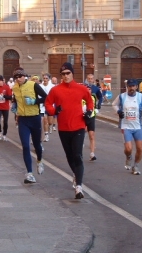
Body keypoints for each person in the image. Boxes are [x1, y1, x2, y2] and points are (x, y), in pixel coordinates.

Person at [45, 62, 93, 199]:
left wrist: (89, 111)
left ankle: (79, 187)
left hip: (78, 126)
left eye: (68, 73)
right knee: (69, 156)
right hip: (63, 128)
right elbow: (48, 103)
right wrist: (54, 111)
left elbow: (89, 101)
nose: (65, 76)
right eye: (63, 74)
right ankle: (76, 174)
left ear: (72, 74)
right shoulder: (56, 90)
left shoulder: (81, 88)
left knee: (77, 155)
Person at [12, 67, 47, 184]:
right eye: (16, 77)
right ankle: (30, 174)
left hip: (35, 118)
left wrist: (34, 101)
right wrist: (14, 106)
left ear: (24, 76)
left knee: (37, 145)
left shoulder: (33, 85)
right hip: (23, 120)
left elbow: (46, 97)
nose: (18, 79)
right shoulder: (14, 88)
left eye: (20, 76)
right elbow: (15, 99)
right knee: (25, 146)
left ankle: (39, 161)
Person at [112, 78, 142, 175]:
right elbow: (114, 104)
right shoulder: (122, 97)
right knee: (128, 149)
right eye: (130, 86)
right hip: (126, 126)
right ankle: (128, 157)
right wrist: (118, 111)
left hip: (138, 127)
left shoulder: (141, 97)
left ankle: (136, 166)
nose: (131, 88)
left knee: (140, 148)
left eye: (133, 86)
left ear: (136, 87)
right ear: (127, 87)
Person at [85, 74, 102, 161]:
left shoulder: (95, 88)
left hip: (91, 114)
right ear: (86, 79)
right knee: (83, 131)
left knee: (91, 135)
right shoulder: (83, 87)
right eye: (89, 79)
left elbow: (100, 96)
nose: (90, 80)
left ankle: (92, 154)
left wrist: (99, 104)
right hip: (83, 114)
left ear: (93, 80)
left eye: (91, 79)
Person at [0, 75, 12, 141]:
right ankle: (0, 132)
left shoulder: (7, 87)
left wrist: (5, 96)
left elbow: (10, 97)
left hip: (5, 108)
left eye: (0, 80)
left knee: (5, 122)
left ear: (3, 80)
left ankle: (4, 134)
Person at [40, 73, 54, 142]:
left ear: (49, 79)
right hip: (42, 106)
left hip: (50, 106)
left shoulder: (52, 86)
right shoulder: (40, 86)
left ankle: (50, 125)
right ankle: (46, 135)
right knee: (44, 120)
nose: (45, 80)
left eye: (46, 78)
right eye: (44, 78)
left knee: (50, 122)